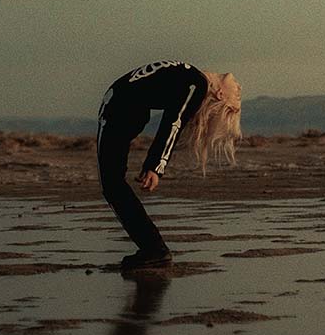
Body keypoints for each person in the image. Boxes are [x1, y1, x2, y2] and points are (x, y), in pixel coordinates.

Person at [95, 60, 242, 269]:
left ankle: (154, 249)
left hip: (117, 109)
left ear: (220, 94)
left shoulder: (197, 83)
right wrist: (155, 164)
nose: (239, 87)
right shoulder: (193, 78)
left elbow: (175, 121)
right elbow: (174, 118)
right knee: (112, 185)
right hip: (122, 108)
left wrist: (156, 166)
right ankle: (153, 249)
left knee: (111, 185)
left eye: (237, 94)